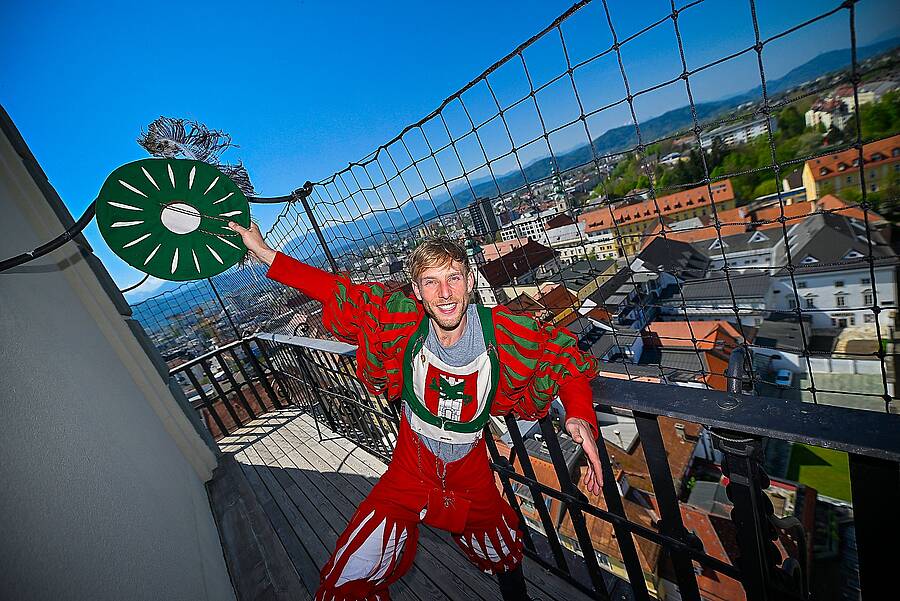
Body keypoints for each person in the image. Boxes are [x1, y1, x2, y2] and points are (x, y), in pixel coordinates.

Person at [229, 222, 604, 601]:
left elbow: (562, 358)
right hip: (410, 468)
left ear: (470, 281)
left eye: (454, 277)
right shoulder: (402, 323)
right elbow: (336, 291)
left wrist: (578, 415)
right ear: (417, 293)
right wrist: (263, 252)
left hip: (471, 472)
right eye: (431, 282)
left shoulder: (501, 333)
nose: (445, 293)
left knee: (501, 547)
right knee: (345, 580)